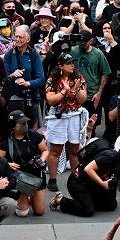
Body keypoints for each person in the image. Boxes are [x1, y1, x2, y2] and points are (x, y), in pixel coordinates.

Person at [50, 141, 120, 217]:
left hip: (91, 184)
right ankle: (60, 201)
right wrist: (102, 183)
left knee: (112, 204)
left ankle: (87, 200)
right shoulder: (110, 157)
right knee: (88, 210)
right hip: (78, 182)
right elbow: (88, 169)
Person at [44, 53, 88, 192]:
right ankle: (52, 180)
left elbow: (82, 100)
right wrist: (64, 91)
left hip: (74, 116)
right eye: (68, 63)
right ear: (61, 66)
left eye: (72, 62)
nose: (72, 65)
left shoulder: (78, 78)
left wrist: (74, 89)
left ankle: (76, 179)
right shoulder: (53, 79)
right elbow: (51, 100)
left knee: (74, 149)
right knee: (55, 149)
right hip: (58, 117)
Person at [0, 111, 49, 217]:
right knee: (22, 213)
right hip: (20, 179)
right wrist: (8, 164)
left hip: (36, 176)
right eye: (22, 124)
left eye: (26, 123)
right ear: (13, 126)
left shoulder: (34, 135)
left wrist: (41, 160)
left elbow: (45, 150)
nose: (25, 125)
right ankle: (23, 197)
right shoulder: (6, 141)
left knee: (39, 212)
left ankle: (31, 197)